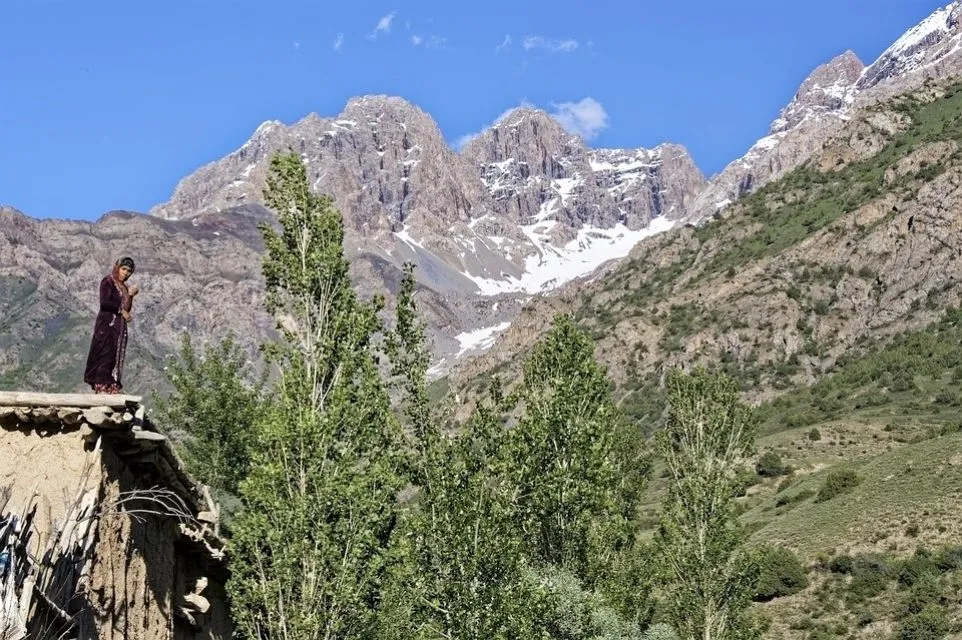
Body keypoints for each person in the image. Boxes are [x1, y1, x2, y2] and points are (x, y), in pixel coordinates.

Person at [83, 256, 140, 394]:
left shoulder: (124, 287)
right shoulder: (108, 282)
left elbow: (126, 309)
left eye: (129, 271)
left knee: (115, 355)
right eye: (124, 269)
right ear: (117, 268)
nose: (126, 273)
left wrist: (130, 296)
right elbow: (105, 303)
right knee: (105, 354)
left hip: (118, 329)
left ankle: (112, 386)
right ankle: (102, 386)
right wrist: (121, 311)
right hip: (106, 325)